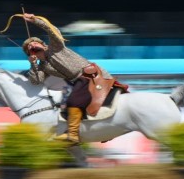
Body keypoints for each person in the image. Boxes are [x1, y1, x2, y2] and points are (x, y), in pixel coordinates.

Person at [22, 13, 120, 144]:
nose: (32, 45)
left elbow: (53, 31)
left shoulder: (56, 48)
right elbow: (36, 81)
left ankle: (73, 135)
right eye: (29, 48)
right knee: (67, 105)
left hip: (87, 75)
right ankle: (101, 129)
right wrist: (33, 63)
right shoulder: (42, 67)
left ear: (43, 44)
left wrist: (35, 20)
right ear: (30, 54)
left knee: (74, 101)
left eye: (35, 43)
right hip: (77, 81)